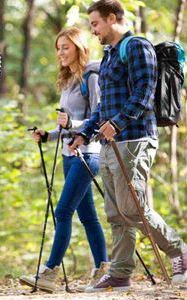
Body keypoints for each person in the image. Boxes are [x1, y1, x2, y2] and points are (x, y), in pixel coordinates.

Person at [69, 0, 187, 292]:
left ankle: (179, 252)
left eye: (96, 24)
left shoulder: (136, 46)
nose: (93, 30)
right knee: (114, 211)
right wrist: (85, 132)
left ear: (112, 18)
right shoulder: (108, 56)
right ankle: (121, 272)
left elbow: (145, 91)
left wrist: (119, 122)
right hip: (110, 141)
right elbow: (103, 106)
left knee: (132, 206)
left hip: (135, 137)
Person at [20, 27, 109, 293]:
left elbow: (98, 117)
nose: (60, 52)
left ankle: (49, 272)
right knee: (88, 217)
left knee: (62, 212)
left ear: (79, 48)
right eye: (58, 48)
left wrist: (72, 123)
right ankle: (103, 269)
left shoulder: (91, 76)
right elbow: (66, 128)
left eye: (65, 47)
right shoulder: (69, 81)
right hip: (69, 156)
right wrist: (47, 135)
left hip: (88, 154)